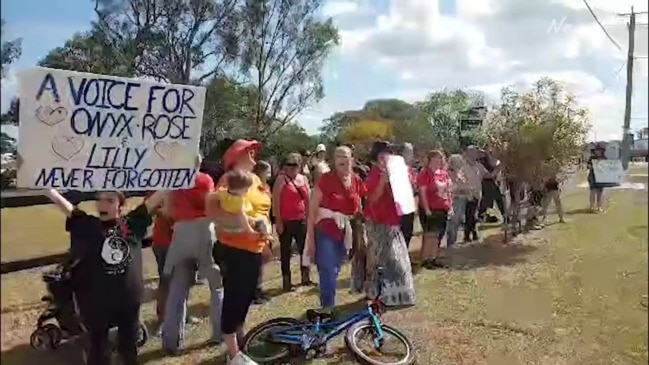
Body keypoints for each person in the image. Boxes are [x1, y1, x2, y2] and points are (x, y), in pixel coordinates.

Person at [44, 186, 165, 365]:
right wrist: (46, 189)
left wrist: (183, 173)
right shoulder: (88, 225)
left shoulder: (131, 224)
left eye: (110, 200)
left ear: (120, 206)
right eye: (99, 199)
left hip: (127, 299)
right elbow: (66, 207)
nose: (103, 204)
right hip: (96, 301)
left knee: (129, 347)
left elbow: (156, 198)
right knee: (98, 348)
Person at [206, 139, 272, 365]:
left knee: (246, 296)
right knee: (235, 298)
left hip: (253, 248)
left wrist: (265, 236)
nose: (254, 154)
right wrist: (252, 222)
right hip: (234, 249)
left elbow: (263, 208)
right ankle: (233, 354)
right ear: (236, 155)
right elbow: (216, 212)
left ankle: (238, 341)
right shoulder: (229, 179)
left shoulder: (254, 179)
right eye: (248, 151)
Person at [162, 156, 223, 355]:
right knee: (217, 285)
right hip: (204, 230)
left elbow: (168, 211)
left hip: (180, 232)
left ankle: (171, 341)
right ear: (199, 161)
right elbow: (211, 206)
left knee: (177, 291)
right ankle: (219, 333)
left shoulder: (173, 182)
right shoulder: (205, 180)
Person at [304, 146, 365, 311]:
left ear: (352, 159)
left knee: (337, 266)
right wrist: (310, 239)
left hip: (348, 230)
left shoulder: (357, 180)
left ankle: (329, 300)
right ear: (333, 160)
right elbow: (312, 210)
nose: (343, 159)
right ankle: (327, 307)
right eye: (339, 156)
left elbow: (361, 205)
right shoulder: (325, 180)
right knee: (328, 268)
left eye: (346, 156)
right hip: (327, 230)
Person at [363, 141, 416, 306]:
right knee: (383, 260)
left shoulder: (395, 172)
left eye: (387, 155)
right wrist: (382, 181)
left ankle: (394, 296)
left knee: (396, 261)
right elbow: (372, 199)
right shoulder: (373, 175)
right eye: (381, 155)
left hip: (392, 222)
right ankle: (378, 294)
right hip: (377, 223)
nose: (384, 159)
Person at [272, 152, 311, 292]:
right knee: (285, 252)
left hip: (302, 220)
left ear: (300, 165)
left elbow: (308, 200)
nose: (291, 167)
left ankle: (305, 277)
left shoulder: (304, 179)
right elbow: (275, 201)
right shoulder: (281, 180)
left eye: (294, 165)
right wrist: (278, 221)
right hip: (286, 221)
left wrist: (309, 219)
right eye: (288, 164)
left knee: (304, 250)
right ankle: (286, 282)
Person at [417, 150, 453, 269]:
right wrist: (426, 209)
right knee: (430, 235)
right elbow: (422, 192)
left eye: (440, 158)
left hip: (442, 208)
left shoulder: (443, 173)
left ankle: (434, 257)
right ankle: (426, 259)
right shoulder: (425, 173)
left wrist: (450, 206)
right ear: (430, 160)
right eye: (436, 158)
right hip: (430, 208)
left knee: (439, 234)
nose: (438, 161)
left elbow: (448, 191)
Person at [215, 170, 270, 235]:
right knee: (262, 221)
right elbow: (242, 216)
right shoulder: (238, 201)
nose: (247, 191)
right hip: (239, 226)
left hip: (226, 226)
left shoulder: (223, 193)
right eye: (246, 189)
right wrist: (249, 230)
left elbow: (220, 191)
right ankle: (266, 235)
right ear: (238, 189)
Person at [252, 160, 273, 304]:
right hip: (256, 227)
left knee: (262, 261)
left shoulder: (266, 187)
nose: (270, 174)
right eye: (268, 172)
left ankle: (258, 288)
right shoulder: (252, 188)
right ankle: (253, 291)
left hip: (266, 225)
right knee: (256, 261)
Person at [463, 146, 489, 242]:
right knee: (469, 215)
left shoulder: (479, 166)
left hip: (477, 194)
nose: (475, 154)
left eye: (476, 153)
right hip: (465, 194)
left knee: (472, 214)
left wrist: (499, 168)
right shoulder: (462, 165)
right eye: (473, 152)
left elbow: (488, 175)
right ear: (468, 153)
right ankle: (471, 234)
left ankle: (469, 235)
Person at [446, 154, 472, 247]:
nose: (461, 163)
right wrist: (464, 188)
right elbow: (451, 188)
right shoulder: (450, 173)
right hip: (454, 200)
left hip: (462, 200)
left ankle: (453, 241)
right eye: (459, 161)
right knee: (452, 222)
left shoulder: (460, 173)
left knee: (457, 221)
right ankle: (450, 242)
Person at [396, 142, 417, 248]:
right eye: (409, 152)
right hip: (399, 206)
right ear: (402, 154)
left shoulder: (411, 170)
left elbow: (414, 187)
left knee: (408, 232)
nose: (412, 155)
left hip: (409, 204)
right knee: (401, 234)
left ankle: (405, 257)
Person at [477, 147, 505, 221]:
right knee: (491, 197)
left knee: (497, 197)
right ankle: (481, 214)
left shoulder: (489, 158)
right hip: (485, 181)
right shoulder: (482, 159)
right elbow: (487, 174)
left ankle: (504, 214)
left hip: (490, 181)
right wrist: (496, 170)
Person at [587, 144, 607, 212]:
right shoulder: (591, 158)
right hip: (592, 177)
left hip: (601, 177)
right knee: (592, 192)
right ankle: (592, 206)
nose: (598, 151)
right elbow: (588, 166)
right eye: (597, 150)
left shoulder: (604, 158)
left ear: (602, 151)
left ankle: (599, 206)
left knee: (600, 193)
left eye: (599, 150)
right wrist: (594, 167)